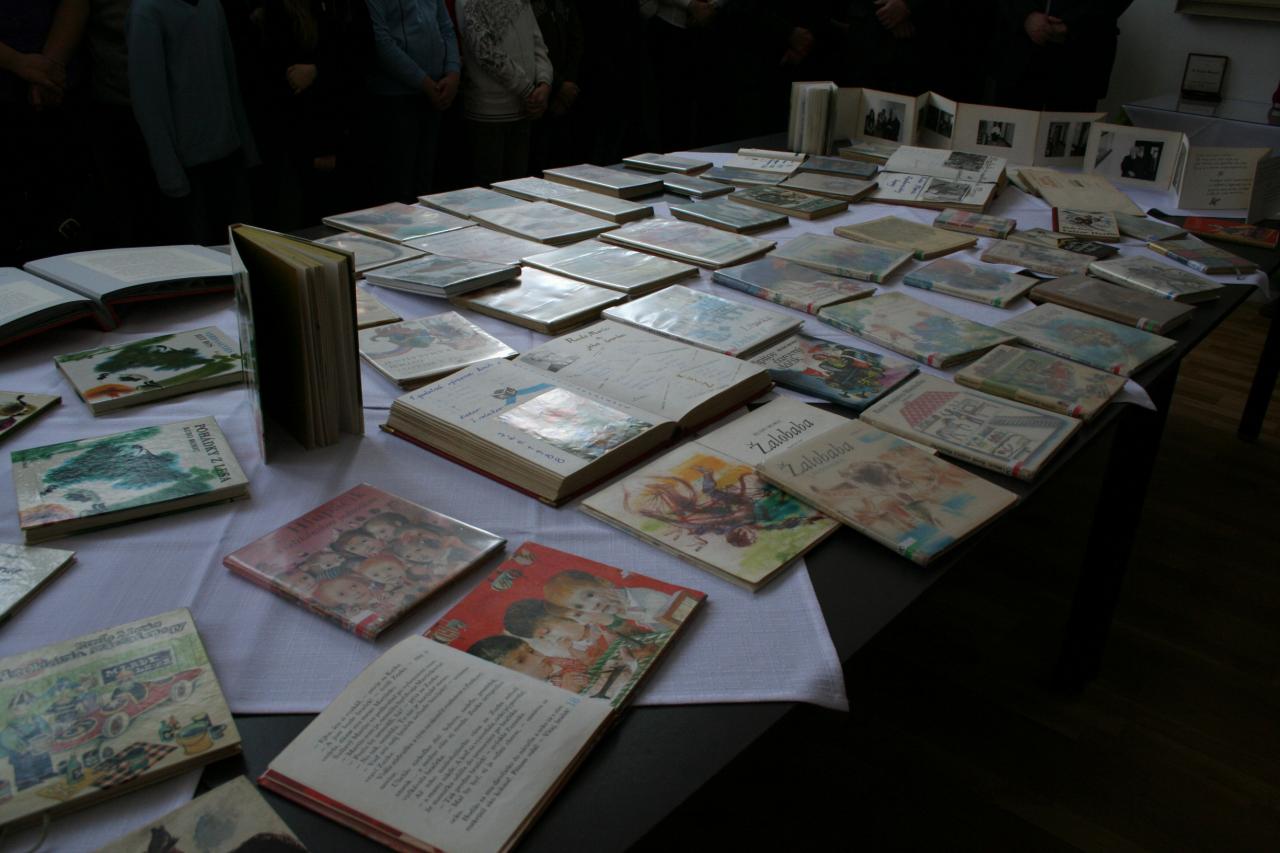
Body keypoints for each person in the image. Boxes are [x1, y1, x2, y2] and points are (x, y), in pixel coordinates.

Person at [127, 0, 258, 245]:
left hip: (229, 155)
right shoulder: (147, 12)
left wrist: (247, 148)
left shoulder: (211, 5)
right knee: (201, 252)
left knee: (242, 247)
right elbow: (148, 101)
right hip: (188, 166)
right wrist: (170, 175)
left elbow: (229, 80)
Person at [365, 0, 459, 201]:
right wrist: (424, 82)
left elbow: (446, 28)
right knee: (399, 185)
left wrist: (453, 71)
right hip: (397, 98)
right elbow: (381, 42)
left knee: (425, 183)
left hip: (437, 90)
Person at [455, 0, 552, 185]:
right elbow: (484, 51)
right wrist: (528, 90)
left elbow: (537, 41)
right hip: (489, 113)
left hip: (524, 109)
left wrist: (544, 82)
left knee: (518, 188)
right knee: (490, 193)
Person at [994, 0, 1135, 111]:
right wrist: (1026, 15)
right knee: (1007, 131)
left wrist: (1071, 23)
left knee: (1071, 132)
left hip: (1082, 54)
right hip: (1016, 52)